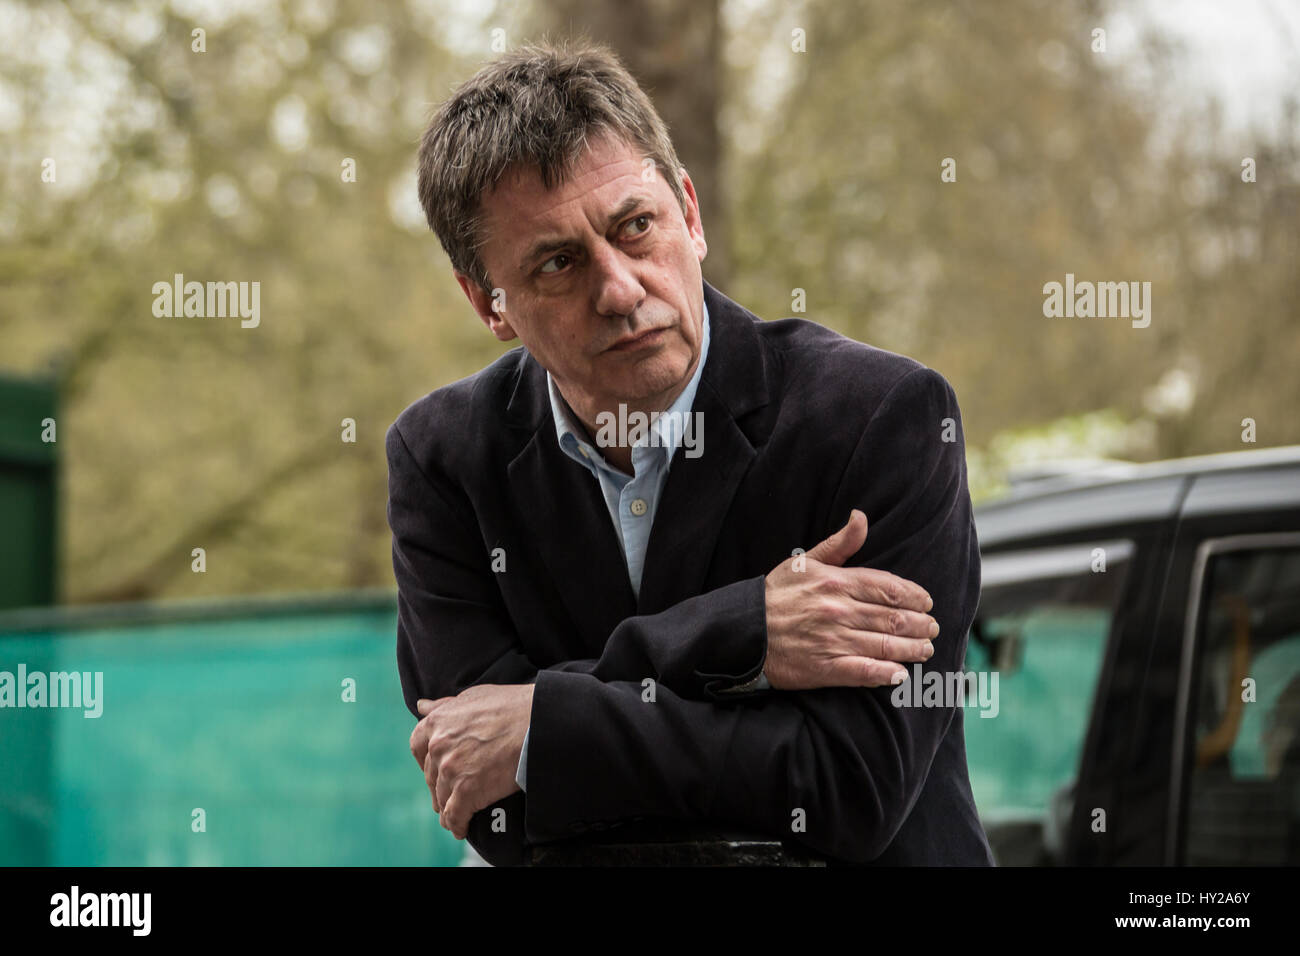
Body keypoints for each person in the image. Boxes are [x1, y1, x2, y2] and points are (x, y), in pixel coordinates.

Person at [387, 41, 993, 866]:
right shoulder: (443, 461)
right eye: (558, 263)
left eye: (635, 227)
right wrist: (743, 633)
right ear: (487, 302)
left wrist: (545, 723)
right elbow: (488, 803)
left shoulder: (881, 420)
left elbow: (849, 788)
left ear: (692, 217)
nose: (620, 290)